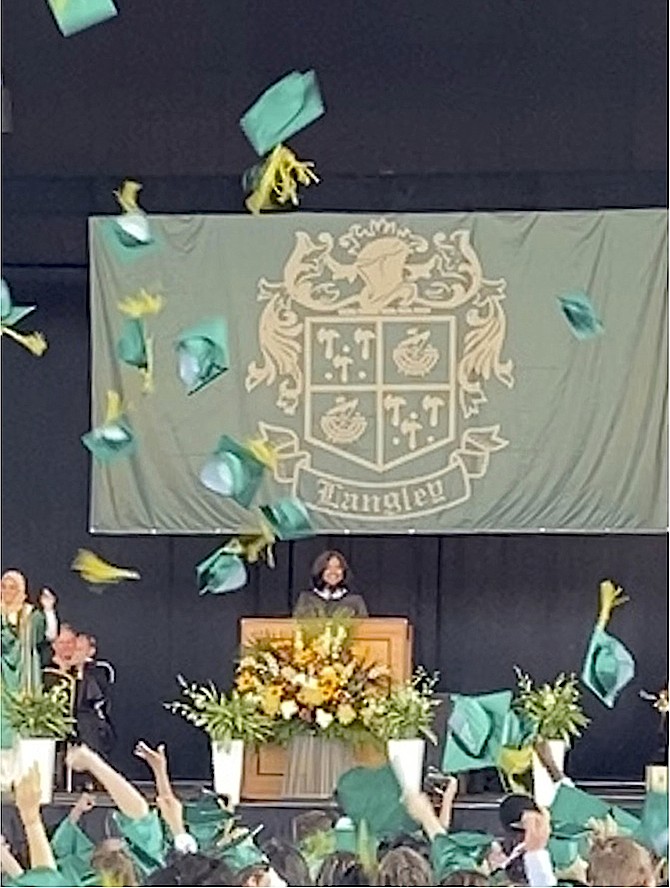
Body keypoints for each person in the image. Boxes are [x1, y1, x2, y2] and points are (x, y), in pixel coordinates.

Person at [1, 570, 58, 788]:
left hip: (24, 677)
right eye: (3, 586)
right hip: (3, 681)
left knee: (23, 726)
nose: (7, 591)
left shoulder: (30, 615)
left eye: (12, 587)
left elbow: (50, 635)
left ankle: (23, 781)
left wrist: (49, 610)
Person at [293, 552, 368, 618]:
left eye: (338, 567)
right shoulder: (306, 599)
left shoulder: (355, 601)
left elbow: (365, 629)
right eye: (328, 568)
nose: (333, 572)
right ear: (320, 571)